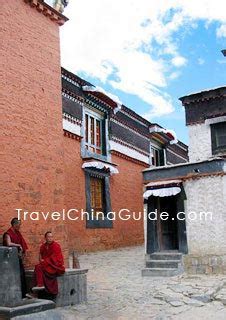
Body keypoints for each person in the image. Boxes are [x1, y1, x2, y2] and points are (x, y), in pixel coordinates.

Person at [32, 231, 65, 297]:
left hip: (54, 266)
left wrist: (46, 261)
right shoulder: (43, 246)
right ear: (45, 238)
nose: (50, 238)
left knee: (39, 267)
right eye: (48, 237)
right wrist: (42, 261)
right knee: (37, 267)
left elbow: (57, 259)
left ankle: (40, 285)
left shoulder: (56, 246)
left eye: (51, 237)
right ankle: (39, 286)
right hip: (47, 265)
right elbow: (40, 255)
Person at [3, 218, 28, 298]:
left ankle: (23, 294)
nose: (20, 226)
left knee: (21, 274)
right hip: (9, 259)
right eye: (19, 225)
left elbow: (23, 243)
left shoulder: (17, 233)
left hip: (17, 257)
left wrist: (23, 252)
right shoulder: (8, 233)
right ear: (15, 225)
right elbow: (8, 243)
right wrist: (18, 245)